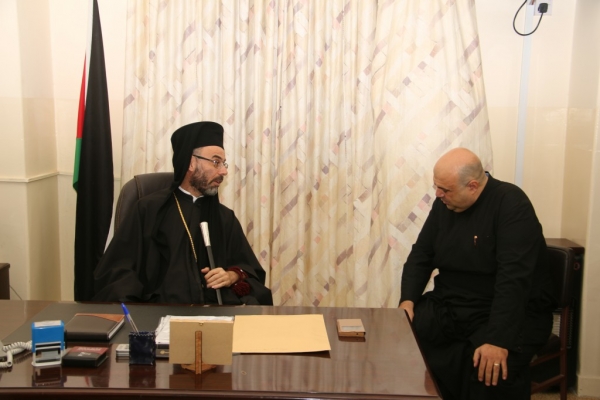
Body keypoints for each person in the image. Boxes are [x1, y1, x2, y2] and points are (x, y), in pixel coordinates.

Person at [399, 148, 555, 400]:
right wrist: (407, 301)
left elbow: (513, 280)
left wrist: (498, 340)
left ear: (472, 186)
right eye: (437, 187)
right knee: (408, 340)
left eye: (445, 189)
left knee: (486, 369)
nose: (438, 194)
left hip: (507, 309)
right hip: (454, 302)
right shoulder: (444, 204)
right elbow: (421, 255)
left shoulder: (511, 205)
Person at [93, 121, 273, 305]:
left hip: (215, 313)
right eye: (216, 162)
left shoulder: (225, 217)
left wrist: (231, 275)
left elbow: (250, 270)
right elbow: (117, 272)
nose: (224, 171)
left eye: (223, 163)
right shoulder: (148, 210)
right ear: (191, 162)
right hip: (159, 312)